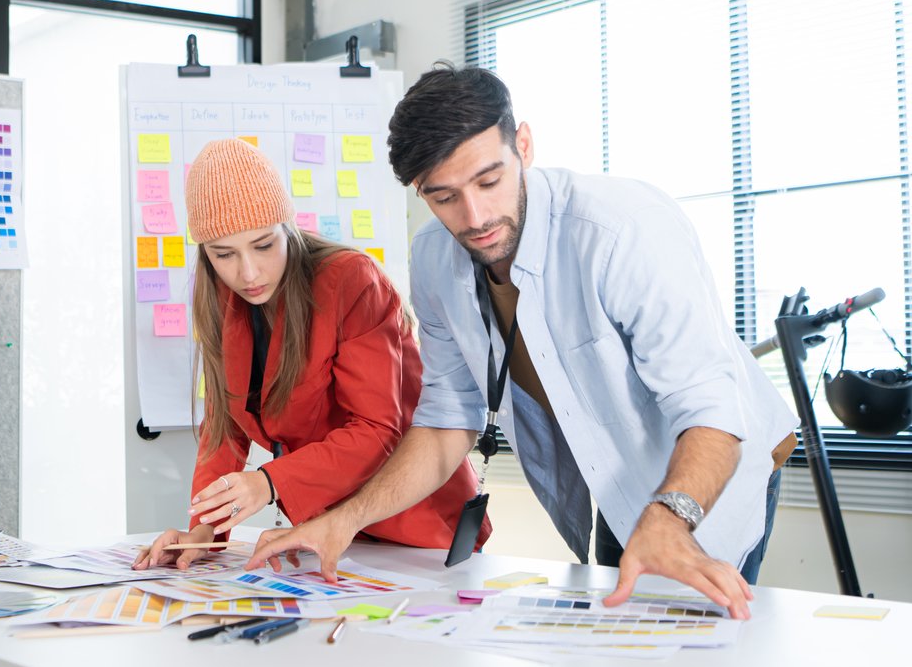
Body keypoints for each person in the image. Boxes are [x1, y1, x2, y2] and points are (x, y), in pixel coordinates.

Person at [251, 65, 797, 619]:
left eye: (489, 181)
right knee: (627, 639)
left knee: (694, 639)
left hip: (710, 458)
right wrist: (343, 521)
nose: (475, 217)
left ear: (525, 146)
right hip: (615, 470)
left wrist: (671, 518)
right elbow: (445, 420)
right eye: (445, 197)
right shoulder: (433, 257)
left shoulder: (623, 230)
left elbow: (709, 407)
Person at [135, 137, 478, 667]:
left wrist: (268, 484)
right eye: (223, 254)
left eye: (263, 245)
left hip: (415, 530)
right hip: (329, 542)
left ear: (287, 225)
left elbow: (378, 428)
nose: (247, 272)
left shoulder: (350, 280)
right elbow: (224, 426)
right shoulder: (218, 296)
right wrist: (202, 530)